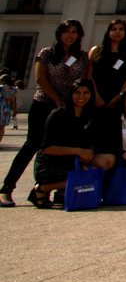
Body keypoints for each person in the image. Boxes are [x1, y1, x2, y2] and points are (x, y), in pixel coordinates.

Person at [0, 19, 90, 207]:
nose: (70, 35)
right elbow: (40, 78)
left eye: (74, 31)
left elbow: (84, 81)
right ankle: (6, 189)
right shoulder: (47, 53)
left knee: (63, 149)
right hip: (43, 104)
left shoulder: (82, 56)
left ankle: (47, 191)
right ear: (59, 33)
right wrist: (56, 99)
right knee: (32, 144)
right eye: (66, 31)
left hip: (68, 110)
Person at [29, 79, 102, 208]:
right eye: (77, 92)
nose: (81, 96)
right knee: (86, 176)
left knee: (98, 170)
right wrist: (79, 151)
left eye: (86, 92)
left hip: (72, 160)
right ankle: (42, 188)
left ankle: (62, 191)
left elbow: (90, 140)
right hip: (49, 164)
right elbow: (46, 148)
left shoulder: (90, 115)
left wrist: (89, 151)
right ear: (70, 94)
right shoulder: (58, 114)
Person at [88, 19, 126, 110]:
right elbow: (88, 75)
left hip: (119, 98)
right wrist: (96, 97)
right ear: (108, 32)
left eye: (121, 29)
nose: (117, 32)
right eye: (114, 29)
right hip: (96, 97)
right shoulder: (96, 50)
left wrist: (120, 96)